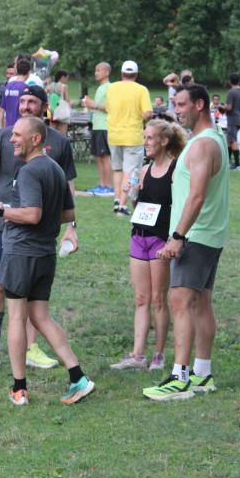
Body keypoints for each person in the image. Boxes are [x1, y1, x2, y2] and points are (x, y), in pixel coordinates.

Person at [0, 85, 78, 372]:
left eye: (31, 102)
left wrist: (71, 227)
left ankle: (30, 352)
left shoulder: (59, 144)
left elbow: (67, 190)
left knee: (29, 300)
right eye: (22, 101)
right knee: (0, 283)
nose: (25, 106)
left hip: (33, 233)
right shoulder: (7, 135)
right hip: (7, 229)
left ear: (44, 106)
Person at [0, 116, 93, 406]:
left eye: (17, 135)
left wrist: (1, 210)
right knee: (40, 316)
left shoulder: (29, 171)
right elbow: (68, 214)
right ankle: (78, 377)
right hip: (45, 254)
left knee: (17, 317)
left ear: (36, 139)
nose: (11, 139)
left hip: (21, 253)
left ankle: (19, 388)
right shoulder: (56, 169)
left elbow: (32, 214)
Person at [144, 83, 229, 401]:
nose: (176, 110)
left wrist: (178, 236)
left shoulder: (203, 145)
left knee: (179, 302)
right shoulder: (211, 139)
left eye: (181, 104)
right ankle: (202, 374)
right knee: (201, 302)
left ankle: (179, 378)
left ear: (200, 105)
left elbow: (197, 196)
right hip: (208, 234)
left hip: (195, 235)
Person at [111, 119, 187, 372]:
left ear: (164, 141)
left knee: (158, 299)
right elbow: (140, 207)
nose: (145, 143)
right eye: (144, 138)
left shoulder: (175, 171)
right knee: (141, 298)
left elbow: (181, 206)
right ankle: (137, 355)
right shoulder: (143, 170)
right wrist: (132, 192)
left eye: (150, 138)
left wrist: (175, 239)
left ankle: (159, 354)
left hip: (160, 240)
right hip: (139, 237)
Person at [106, 60, 154, 216]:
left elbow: (108, 108)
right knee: (130, 171)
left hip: (114, 134)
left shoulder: (112, 88)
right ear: (136, 74)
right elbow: (147, 113)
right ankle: (122, 205)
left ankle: (116, 200)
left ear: (122, 73)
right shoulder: (141, 90)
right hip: (133, 136)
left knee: (118, 169)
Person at [83, 62, 114, 196]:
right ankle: (102, 184)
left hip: (104, 126)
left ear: (107, 72)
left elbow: (110, 107)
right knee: (98, 157)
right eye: (95, 70)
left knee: (105, 156)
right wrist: (89, 105)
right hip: (97, 126)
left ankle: (109, 186)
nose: (96, 73)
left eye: (99, 70)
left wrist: (93, 104)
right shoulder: (100, 88)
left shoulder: (110, 87)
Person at [224, 74, 240, 170]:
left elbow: (229, 107)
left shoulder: (231, 92)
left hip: (233, 119)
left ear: (230, 81)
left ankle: (237, 164)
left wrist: (222, 107)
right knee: (229, 140)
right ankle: (227, 162)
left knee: (233, 140)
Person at [0, 63, 16, 128]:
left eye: (11, 74)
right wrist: (2, 119)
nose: (8, 76)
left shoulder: (21, 87)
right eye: (7, 73)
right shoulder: (1, 87)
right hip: (2, 123)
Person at [46, 70, 70, 135]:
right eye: (66, 78)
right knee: (62, 135)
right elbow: (67, 101)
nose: (66, 80)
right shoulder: (64, 86)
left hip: (50, 111)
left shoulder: (49, 86)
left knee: (53, 134)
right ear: (62, 77)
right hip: (60, 112)